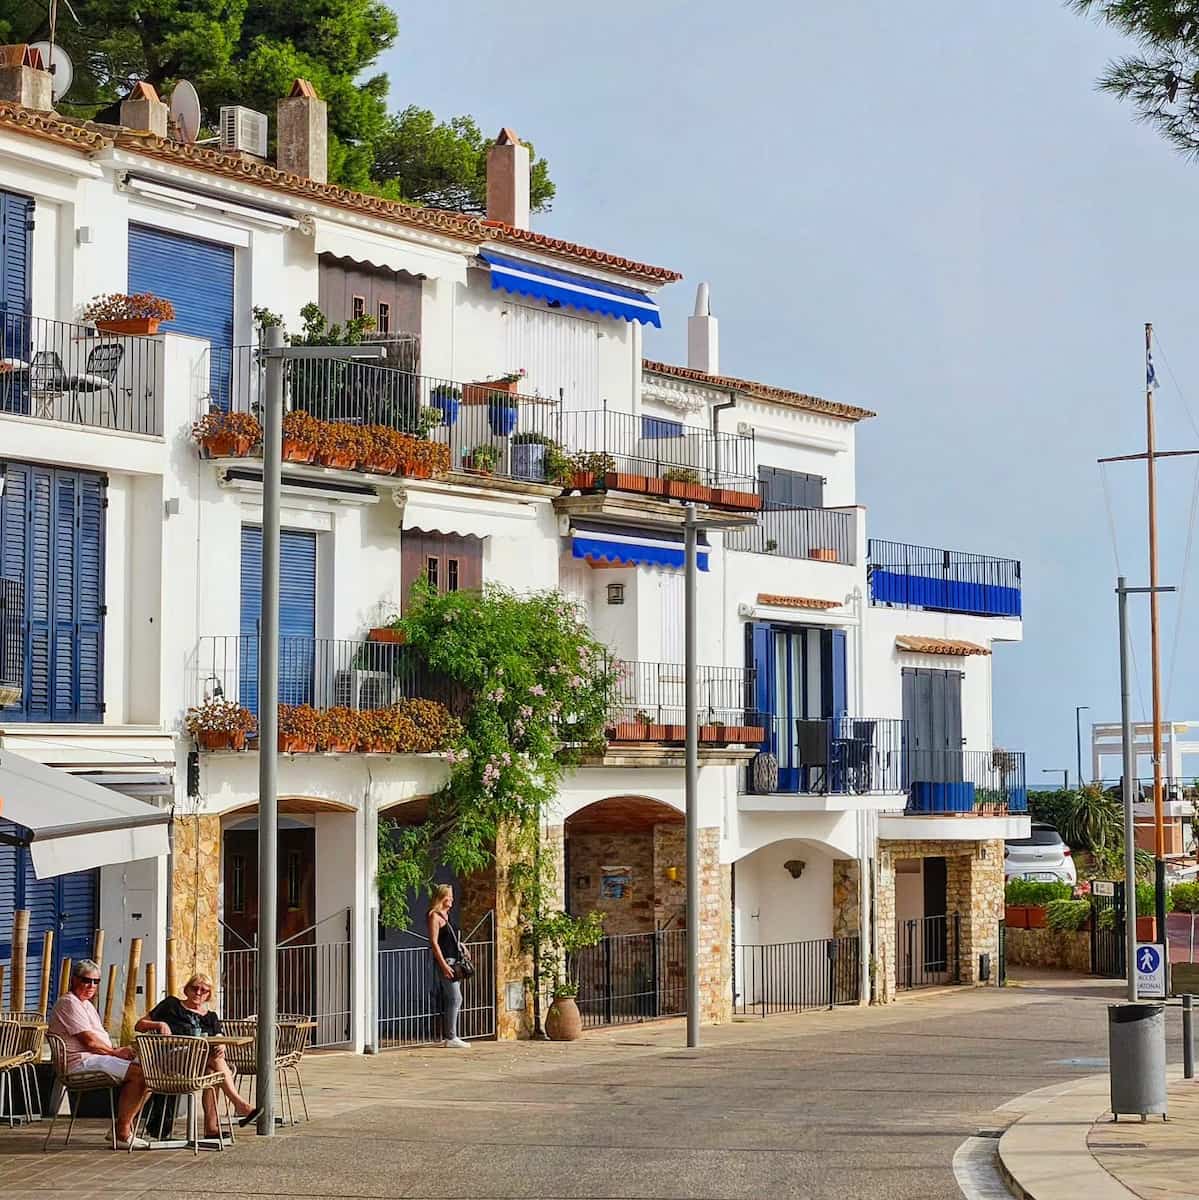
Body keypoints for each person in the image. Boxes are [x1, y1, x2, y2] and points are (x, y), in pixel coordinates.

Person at [135, 972, 261, 1137]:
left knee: (213, 1070)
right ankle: (239, 1104)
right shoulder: (171, 1005)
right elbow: (139, 1025)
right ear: (187, 990)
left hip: (198, 1065)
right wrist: (159, 1024)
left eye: (204, 990)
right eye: (195, 988)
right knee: (212, 1059)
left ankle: (211, 1128)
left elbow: (220, 1036)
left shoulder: (211, 1017)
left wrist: (222, 1045)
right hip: (170, 1061)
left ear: (209, 995)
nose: (198, 993)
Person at [48, 959, 151, 1149]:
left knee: (151, 1071)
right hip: (78, 1062)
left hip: (96, 1057)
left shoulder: (86, 1004)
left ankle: (123, 1128)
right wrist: (115, 1052)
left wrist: (119, 1051)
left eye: (96, 982)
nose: (91, 986)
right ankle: (122, 1132)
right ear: (74, 979)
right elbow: (89, 1042)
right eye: (86, 980)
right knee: (141, 1074)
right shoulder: (69, 1003)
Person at [427, 883, 470, 1049]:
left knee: (454, 997)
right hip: (446, 961)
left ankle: (451, 1035)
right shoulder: (434, 916)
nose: (451, 899)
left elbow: (450, 937)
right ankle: (451, 1036)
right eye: (448, 896)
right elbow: (434, 942)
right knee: (455, 997)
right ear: (441, 897)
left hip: (454, 959)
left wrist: (462, 946)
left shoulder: (447, 915)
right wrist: (443, 965)